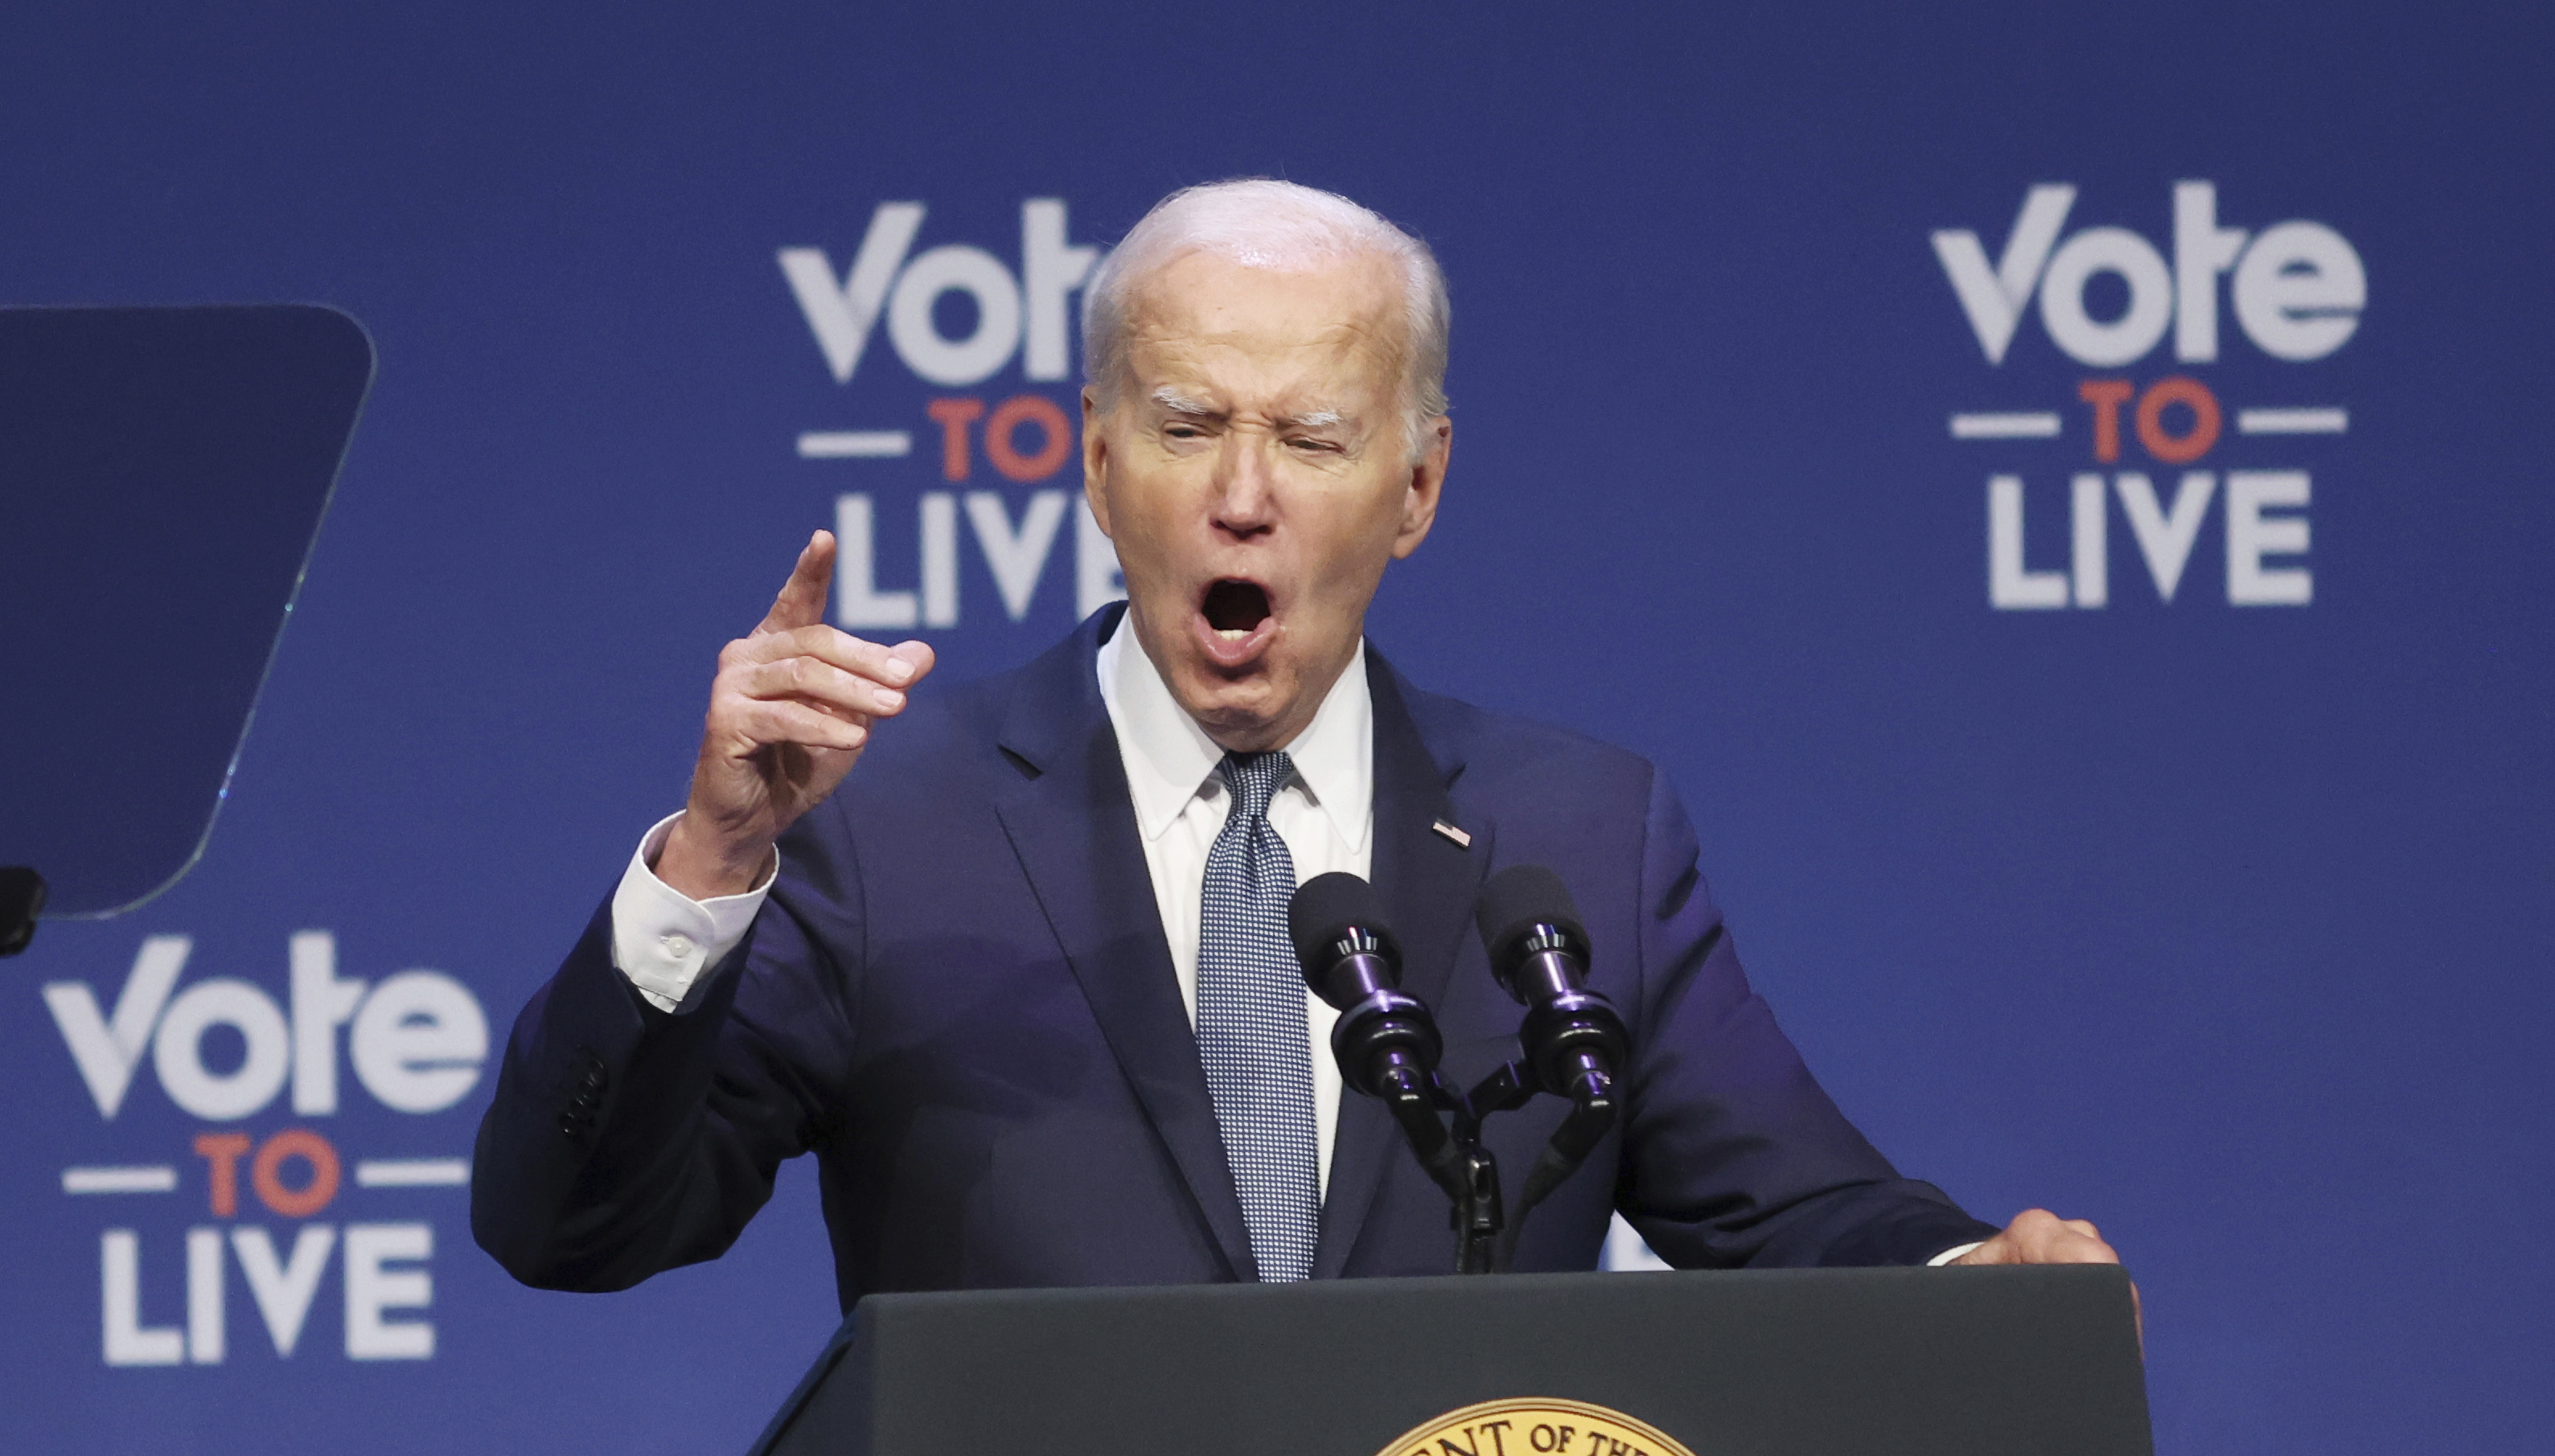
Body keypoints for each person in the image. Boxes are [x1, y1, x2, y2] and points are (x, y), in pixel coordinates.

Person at [471, 178, 2121, 1309]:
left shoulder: (1578, 830)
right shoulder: (887, 820)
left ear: (1416, 489)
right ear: (1099, 465)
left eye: (1312, 437)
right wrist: (712, 864)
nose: (1240, 492)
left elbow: (1792, 1209)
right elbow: (574, 1227)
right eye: (1186, 427)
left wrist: (1979, 1289)